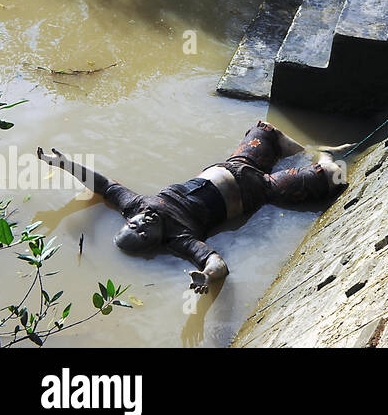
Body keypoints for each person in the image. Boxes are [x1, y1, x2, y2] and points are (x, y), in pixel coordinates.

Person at [37, 122, 346, 293]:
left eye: (133, 224)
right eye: (142, 232)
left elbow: (102, 185)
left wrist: (64, 165)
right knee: (333, 176)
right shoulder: (178, 239)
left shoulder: (136, 206)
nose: (141, 223)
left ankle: (305, 150)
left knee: (265, 130)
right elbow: (217, 263)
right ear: (153, 242)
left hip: (236, 165)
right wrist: (208, 278)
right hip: (262, 189)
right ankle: (326, 156)